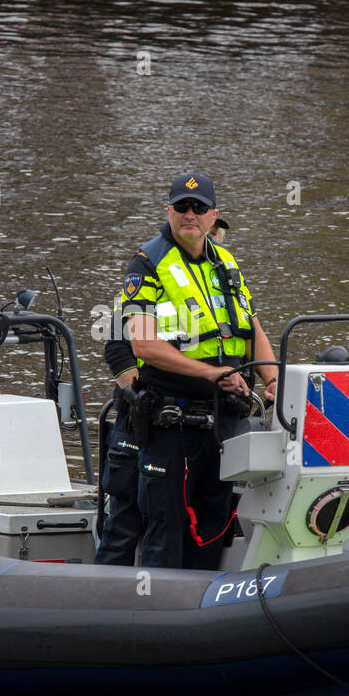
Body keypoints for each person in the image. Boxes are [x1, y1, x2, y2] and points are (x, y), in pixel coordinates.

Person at [119, 174, 277, 570]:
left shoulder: (226, 262)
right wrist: (211, 373)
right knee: (166, 525)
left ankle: (206, 613)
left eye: (199, 207)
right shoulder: (146, 263)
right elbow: (143, 345)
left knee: (213, 522)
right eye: (182, 206)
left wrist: (274, 380)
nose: (190, 214)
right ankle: (156, 617)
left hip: (223, 418)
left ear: (214, 216)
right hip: (170, 420)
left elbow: (251, 326)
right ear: (168, 211)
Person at [95, 214, 237, 566]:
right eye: (216, 235)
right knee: (126, 520)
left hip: (189, 424)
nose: (216, 241)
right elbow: (117, 348)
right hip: (140, 422)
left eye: (217, 235)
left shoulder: (213, 286)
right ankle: (102, 603)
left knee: (184, 520)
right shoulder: (148, 278)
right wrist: (142, 395)